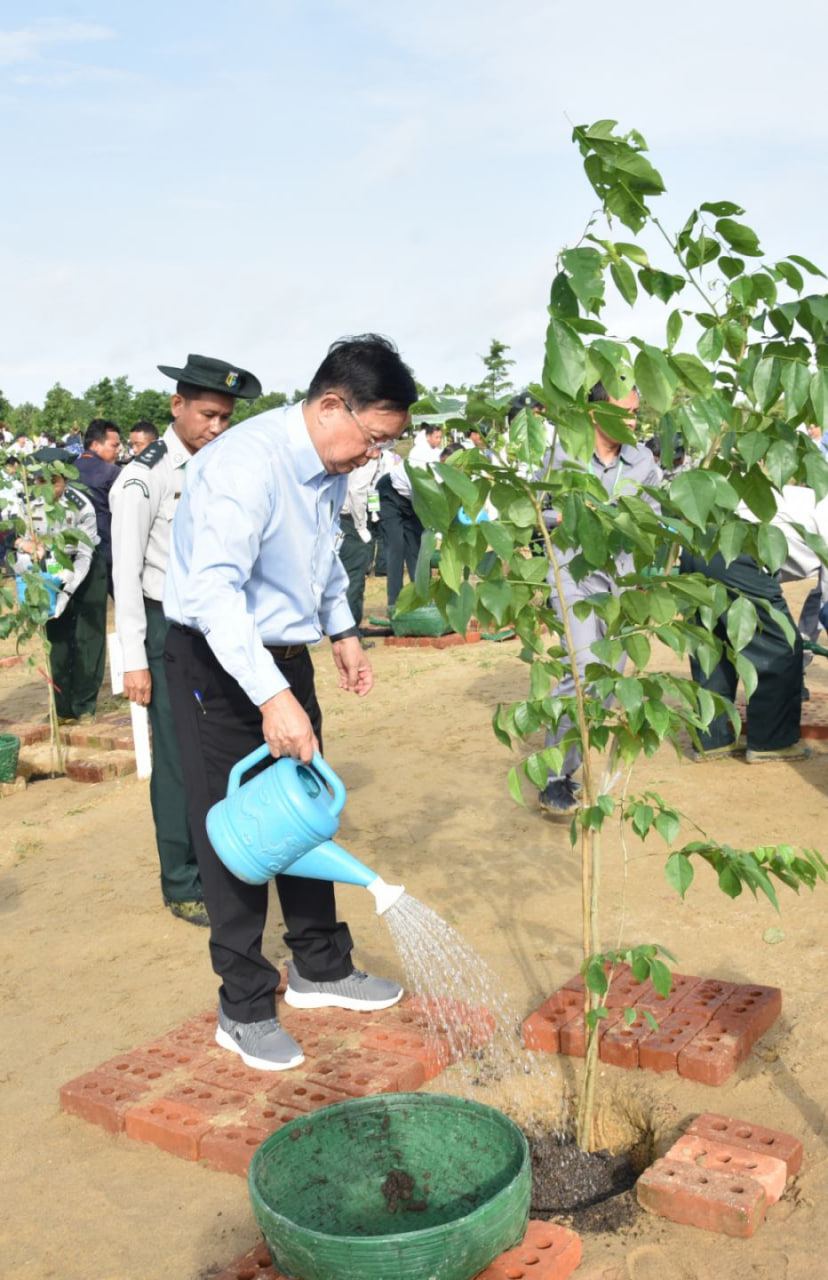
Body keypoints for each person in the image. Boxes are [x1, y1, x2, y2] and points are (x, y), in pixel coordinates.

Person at [163, 334, 417, 1071]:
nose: (372, 456)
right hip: (217, 662)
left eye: (385, 445)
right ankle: (243, 1006)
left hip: (282, 657)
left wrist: (343, 632)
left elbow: (321, 558)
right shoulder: (244, 465)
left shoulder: (328, 464)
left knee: (302, 809)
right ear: (331, 406)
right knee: (236, 830)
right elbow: (214, 593)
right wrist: (272, 697)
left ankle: (320, 967)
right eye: (372, 438)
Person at [110, 355, 261, 927]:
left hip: (216, 625)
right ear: (177, 406)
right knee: (177, 761)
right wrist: (134, 660)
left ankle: (221, 857)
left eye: (225, 417)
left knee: (220, 748)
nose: (217, 427)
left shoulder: (222, 465)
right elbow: (126, 575)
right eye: (207, 415)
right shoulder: (144, 477)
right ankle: (182, 881)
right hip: (164, 628)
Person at [538, 380, 661, 815]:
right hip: (573, 578)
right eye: (623, 412)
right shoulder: (562, 453)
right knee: (584, 669)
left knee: (608, 679)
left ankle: (569, 765)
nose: (632, 421)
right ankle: (554, 777)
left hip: (620, 584)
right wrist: (569, 514)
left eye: (635, 413)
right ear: (594, 413)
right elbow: (531, 510)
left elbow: (653, 519)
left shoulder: (642, 461)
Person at [680, 548, 809, 764]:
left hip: (695, 549)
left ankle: (713, 738)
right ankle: (772, 742)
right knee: (780, 645)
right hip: (737, 556)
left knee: (712, 644)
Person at [14, 447, 107, 722]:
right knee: (57, 637)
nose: (46, 487)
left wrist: (67, 590)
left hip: (84, 569)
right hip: (49, 571)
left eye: (52, 481)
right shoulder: (27, 504)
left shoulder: (81, 505)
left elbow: (84, 555)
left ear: (65, 480)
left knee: (88, 638)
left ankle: (84, 705)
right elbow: (21, 544)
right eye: (40, 481)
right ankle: (61, 707)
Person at [377, 422, 443, 611]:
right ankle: (395, 603)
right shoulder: (420, 459)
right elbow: (427, 503)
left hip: (411, 502)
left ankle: (420, 599)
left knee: (417, 550)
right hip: (390, 495)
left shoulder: (440, 462)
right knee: (396, 548)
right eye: (436, 436)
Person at [74, 419, 121, 596]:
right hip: (105, 547)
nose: (118, 450)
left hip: (75, 547)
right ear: (95, 445)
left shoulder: (68, 470)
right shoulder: (111, 472)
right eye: (114, 445)